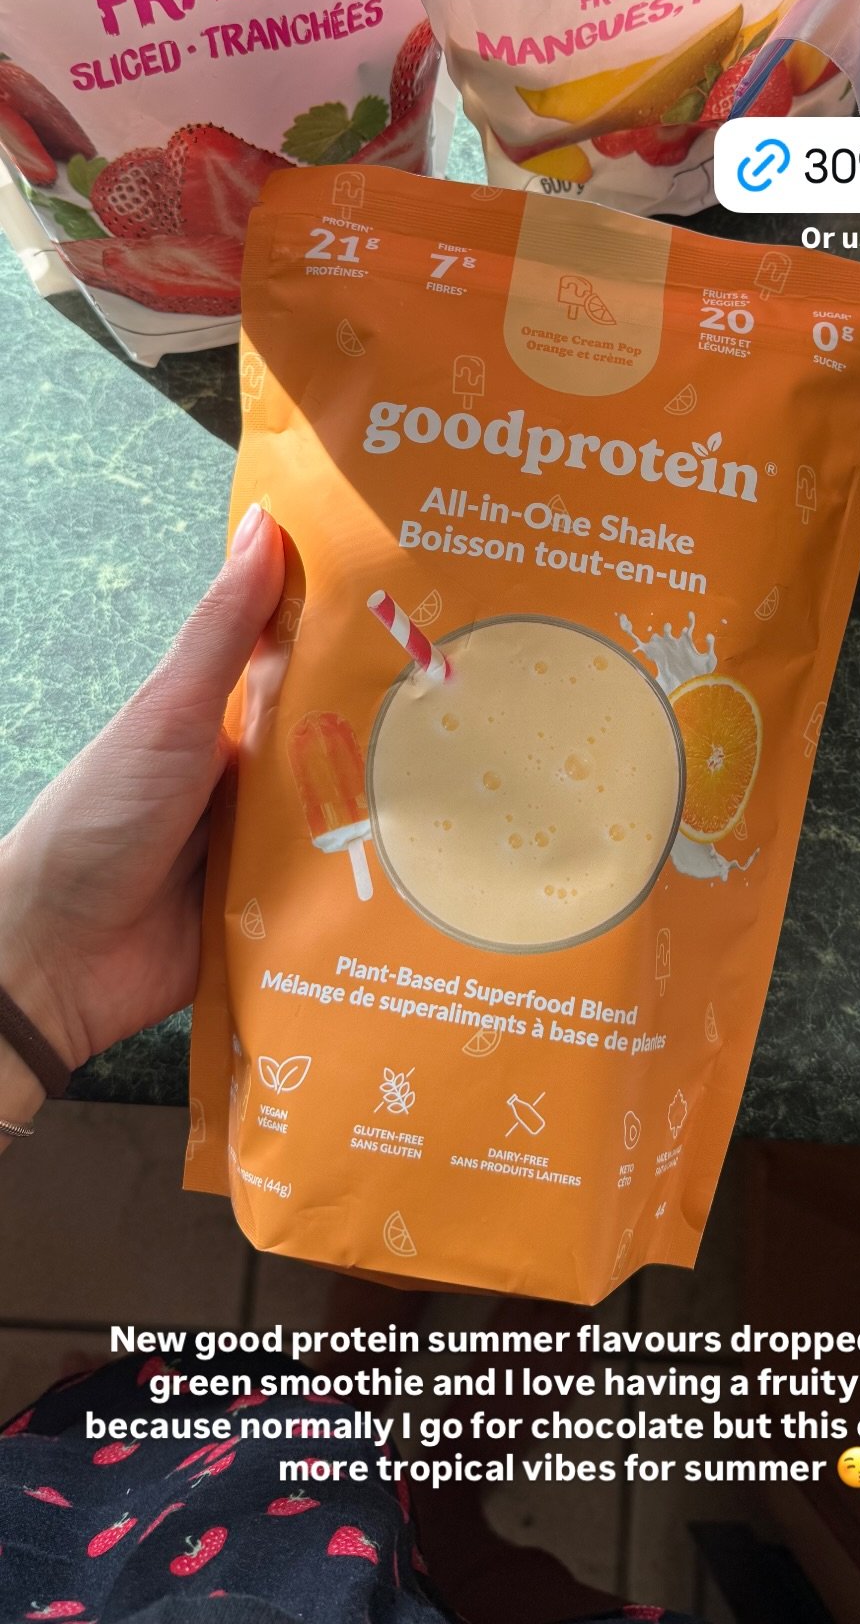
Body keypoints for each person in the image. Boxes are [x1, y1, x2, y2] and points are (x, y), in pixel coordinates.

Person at [0, 507, 692, 1624]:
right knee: (500, 1581)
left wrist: (40, 967)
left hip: (154, 1533)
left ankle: (371, 1366)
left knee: (333, 1435)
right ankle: (447, 1480)